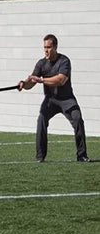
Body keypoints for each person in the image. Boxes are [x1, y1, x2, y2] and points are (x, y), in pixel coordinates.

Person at [18, 34, 90, 163]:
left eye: (49, 47)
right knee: (41, 119)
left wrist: (41, 80)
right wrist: (23, 84)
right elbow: (32, 82)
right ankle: (40, 157)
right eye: (44, 47)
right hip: (50, 100)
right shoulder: (41, 63)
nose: (46, 50)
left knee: (78, 119)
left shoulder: (64, 61)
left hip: (67, 99)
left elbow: (61, 80)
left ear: (55, 47)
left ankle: (82, 155)